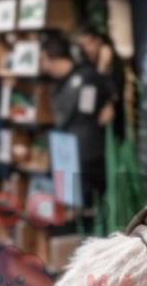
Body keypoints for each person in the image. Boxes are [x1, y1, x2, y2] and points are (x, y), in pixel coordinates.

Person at [41, 35, 112, 212]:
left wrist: (110, 104)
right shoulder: (59, 82)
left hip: (86, 153)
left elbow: (88, 112)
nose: (42, 66)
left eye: (42, 59)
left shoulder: (86, 78)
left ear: (50, 57)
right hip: (66, 153)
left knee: (88, 210)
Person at [75, 24, 134, 140]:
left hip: (120, 123)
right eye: (83, 45)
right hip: (93, 127)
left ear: (99, 41)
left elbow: (116, 93)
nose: (87, 49)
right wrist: (101, 68)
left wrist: (103, 68)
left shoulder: (117, 65)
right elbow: (87, 101)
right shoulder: (86, 67)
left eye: (89, 43)